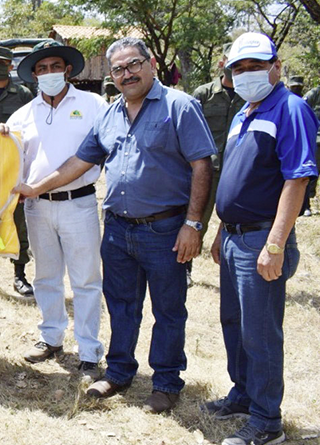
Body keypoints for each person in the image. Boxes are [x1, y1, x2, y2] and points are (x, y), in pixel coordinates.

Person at [15, 37, 215, 413]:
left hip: (165, 229)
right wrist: (35, 188)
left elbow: (202, 165)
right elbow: (79, 162)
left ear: (151, 64)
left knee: (168, 309)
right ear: (111, 75)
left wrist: (193, 224)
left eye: (134, 64)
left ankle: (167, 381)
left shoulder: (179, 106)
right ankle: (120, 371)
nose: (128, 74)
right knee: (122, 305)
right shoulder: (110, 114)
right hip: (119, 228)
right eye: (119, 69)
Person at [203, 32, 318, 445]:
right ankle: (244, 394)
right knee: (233, 323)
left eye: (255, 66)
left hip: (261, 241)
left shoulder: (291, 108)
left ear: (276, 67)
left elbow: (298, 178)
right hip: (234, 238)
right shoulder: (242, 114)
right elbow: (236, 180)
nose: (247, 74)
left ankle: (268, 422)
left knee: (261, 332)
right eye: (240, 68)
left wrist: (274, 244)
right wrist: (220, 230)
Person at [1, 40, 106, 381]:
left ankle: (89, 352)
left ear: (68, 70)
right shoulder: (21, 116)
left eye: (55, 66)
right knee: (46, 277)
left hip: (79, 202)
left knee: (86, 279)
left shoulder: (93, 105)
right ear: (33, 75)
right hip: (37, 207)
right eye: (42, 69)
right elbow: (10, 160)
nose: (49, 73)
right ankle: (51, 338)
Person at [0, 45, 35, 300]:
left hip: (13, 166)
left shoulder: (23, 94)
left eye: (2, 62)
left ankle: (19, 274)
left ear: (11, 66)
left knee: (16, 218)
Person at [191, 43, 246, 283]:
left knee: (238, 224)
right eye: (230, 60)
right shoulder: (203, 94)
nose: (234, 66)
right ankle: (185, 269)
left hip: (238, 172)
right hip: (207, 171)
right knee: (195, 220)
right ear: (222, 62)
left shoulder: (250, 95)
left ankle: (234, 271)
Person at [303, 80, 320, 216]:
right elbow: (303, 109)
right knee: (312, 173)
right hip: (317, 139)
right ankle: (306, 204)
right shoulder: (314, 93)